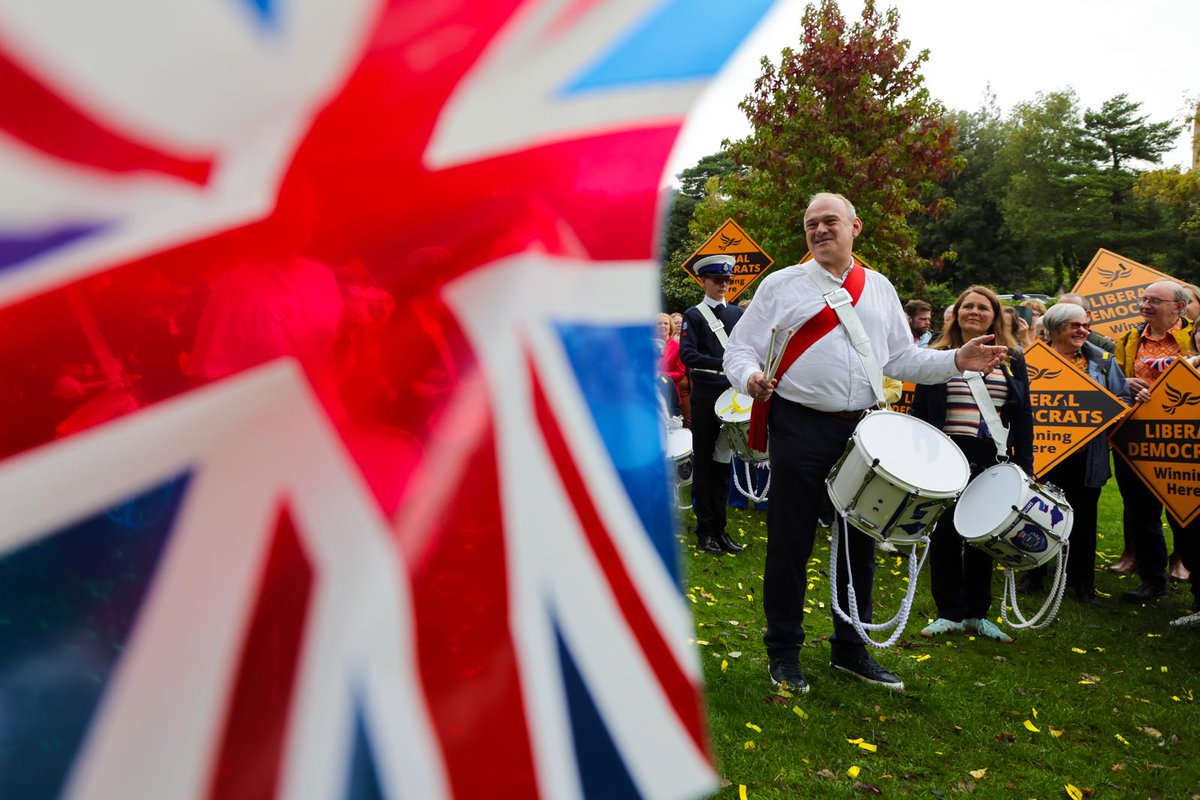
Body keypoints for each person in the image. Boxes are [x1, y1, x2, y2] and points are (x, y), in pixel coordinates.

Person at [723, 193, 1006, 693]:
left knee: (861, 540)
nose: (819, 230)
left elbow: (902, 359)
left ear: (856, 227)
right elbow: (740, 348)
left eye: (830, 221)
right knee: (791, 542)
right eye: (811, 223)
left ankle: (850, 650)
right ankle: (783, 651)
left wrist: (955, 361)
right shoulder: (780, 284)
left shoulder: (877, 287)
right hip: (799, 424)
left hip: (864, 429)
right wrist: (748, 378)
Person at [911, 286, 1033, 643]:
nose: (975, 312)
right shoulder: (937, 355)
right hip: (946, 453)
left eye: (983, 307)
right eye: (968, 306)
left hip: (991, 454)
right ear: (957, 313)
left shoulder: (1011, 358)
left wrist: (1024, 465)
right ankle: (948, 612)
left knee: (984, 535)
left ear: (995, 315)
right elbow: (920, 411)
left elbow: (1023, 415)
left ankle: (978, 613)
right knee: (946, 533)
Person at [1018, 302, 1131, 602]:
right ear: (1054, 330)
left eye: (1085, 325)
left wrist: (1116, 410)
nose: (1083, 331)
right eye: (1075, 326)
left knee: (1083, 520)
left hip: (1086, 456)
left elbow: (1123, 397)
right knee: (1035, 515)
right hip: (1042, 454)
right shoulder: (1030, 361)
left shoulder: (1103, 363)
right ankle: (1034, 575)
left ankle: (1082, 583)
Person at [1112, 280, 1196, 602]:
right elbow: (1111, 381)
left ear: (1178, 307)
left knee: (1186, 514)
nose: (1145, 305)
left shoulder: (1193, 338)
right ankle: (1153, 580)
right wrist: (1125, 383)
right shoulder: (1128, 340)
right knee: (1141, 513)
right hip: (1135, 438)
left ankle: (1192, 576)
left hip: (1185, 441)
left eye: (1154, 301)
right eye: (1143, 299)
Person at [680, 255, 745, 556]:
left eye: (727, 280)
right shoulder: (694, 316)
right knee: (705, 465)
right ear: (703, 281)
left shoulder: (737, 314)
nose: (723, 285)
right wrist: (724, 363)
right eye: (718, 280)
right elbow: (688, 355)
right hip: (706, 397)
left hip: (731, 397)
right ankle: (705, 530)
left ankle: (720, 528)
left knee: (723, 463)